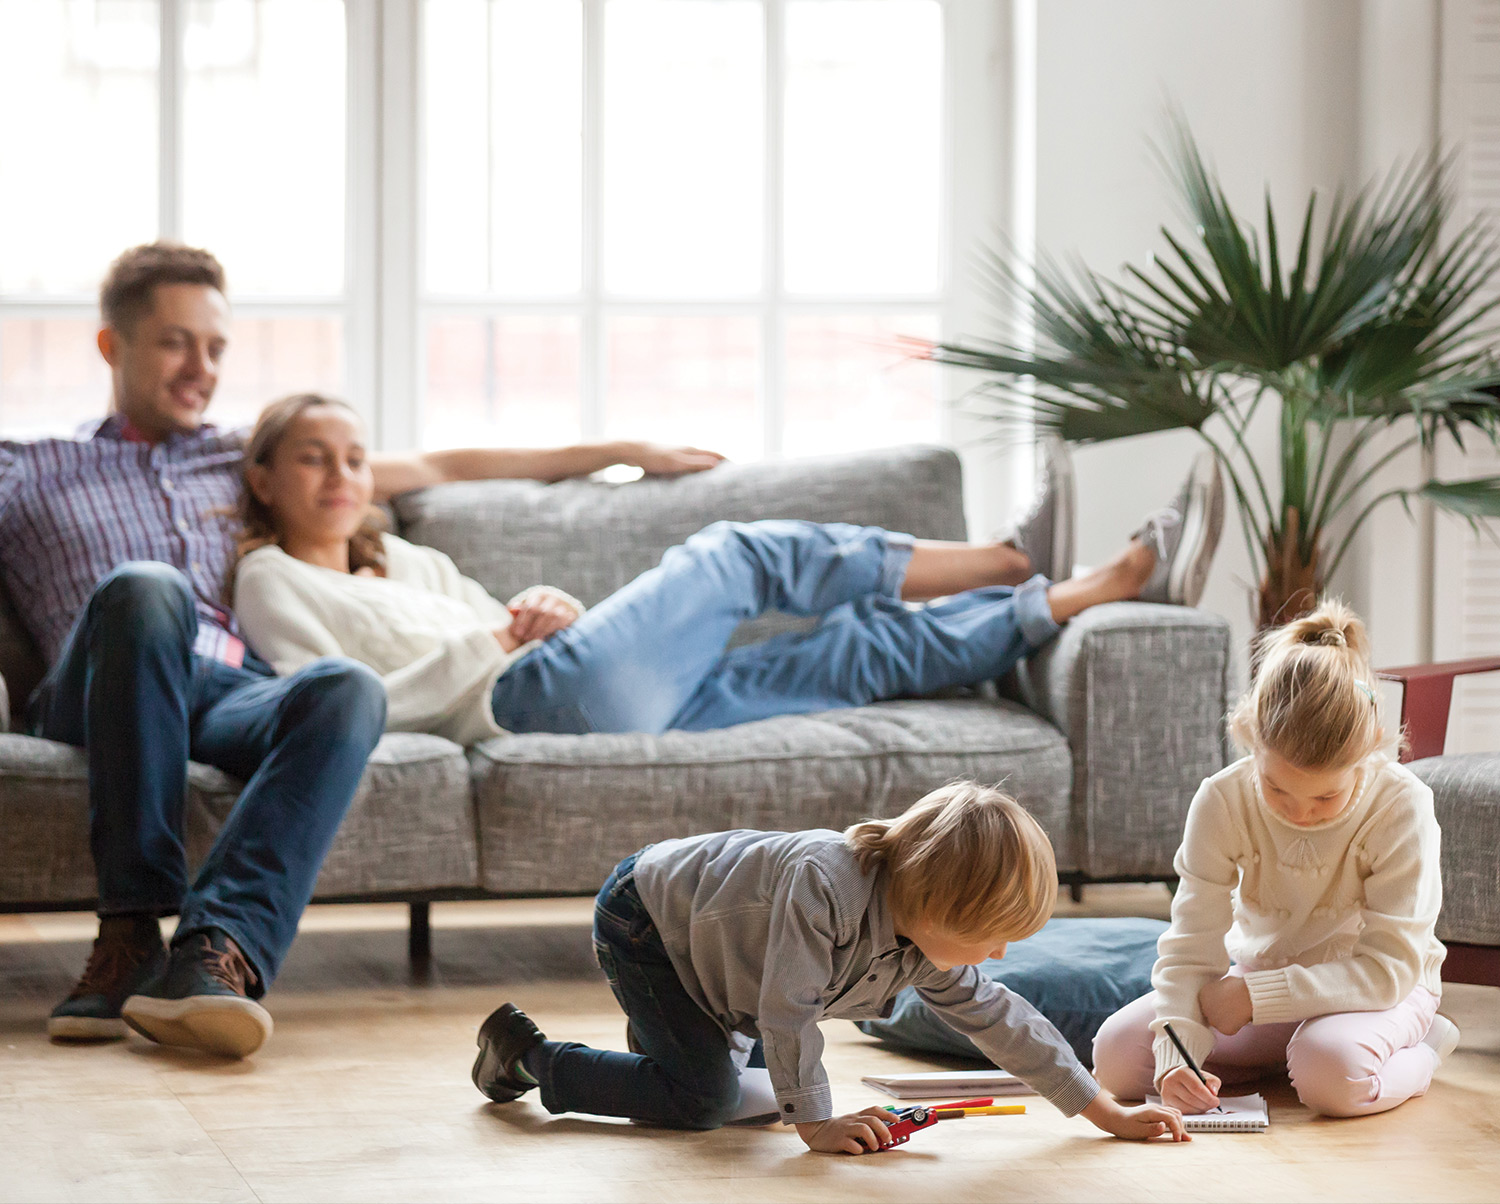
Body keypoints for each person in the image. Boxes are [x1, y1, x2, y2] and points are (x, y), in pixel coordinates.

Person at [0, 241, 723, 1057]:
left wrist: (622, 452)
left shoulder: (236, 458)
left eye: (215, 346)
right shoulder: (30, 468)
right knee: (148, 587)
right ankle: (129, 930)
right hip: (98, 688)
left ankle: (214, 955)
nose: (200, 366)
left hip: (221, 688)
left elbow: (440, 464)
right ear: (112, 345)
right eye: (175, 342)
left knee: (343, 686)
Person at [230, 393, 1226, 743]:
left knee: (852, 654)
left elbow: (509, 615)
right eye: (313, 457)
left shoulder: (404, 557)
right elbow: (329, 703)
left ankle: (1081, 590)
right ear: (264, 477)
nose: (340, 475)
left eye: (354, 457)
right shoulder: (271, 580)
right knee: (738, 553)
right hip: (525, 699)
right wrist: (500, 639)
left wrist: (540, 604)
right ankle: (1008, 557)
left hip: (577, 677)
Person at [467, 782, 1189, 1150]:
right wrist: (817, 1124)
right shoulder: (825, 883)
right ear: (936, 906)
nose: (997, 957)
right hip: (649, 924)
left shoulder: (925, 943)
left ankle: (668, 1056)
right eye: (989, 938)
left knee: (742, 1104)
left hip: (722, 961)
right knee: (706, 1103)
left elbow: (1005, 1022)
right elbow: (788, 1010)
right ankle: (528, 1056)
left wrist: (1107, 1113)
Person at [1091, 601, 1458, 1118]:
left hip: (1378, 992)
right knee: (1116, 1060)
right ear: (1249, 736)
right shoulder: (1222, 798)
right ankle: (1283, 1056)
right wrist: (1178, 1057)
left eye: (1325, 799)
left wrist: (1255, 997)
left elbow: (1388, 969)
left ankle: (1420, 1051)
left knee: (1332, 1077)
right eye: (1277, 789)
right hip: (1260, 983)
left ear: (1371, 751)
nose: (1300, 813)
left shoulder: (1402, 805)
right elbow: (1191, 947)